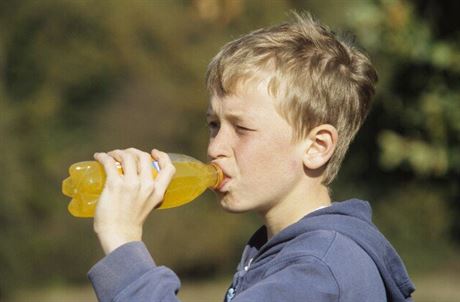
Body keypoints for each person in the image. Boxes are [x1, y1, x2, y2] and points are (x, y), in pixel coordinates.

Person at [88, 12, 415, 302]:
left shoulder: (319, 269)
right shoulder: (280, 253)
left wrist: (123, 243)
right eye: (214, 125)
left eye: (242, 129)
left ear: (317, 147)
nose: (215, 148)